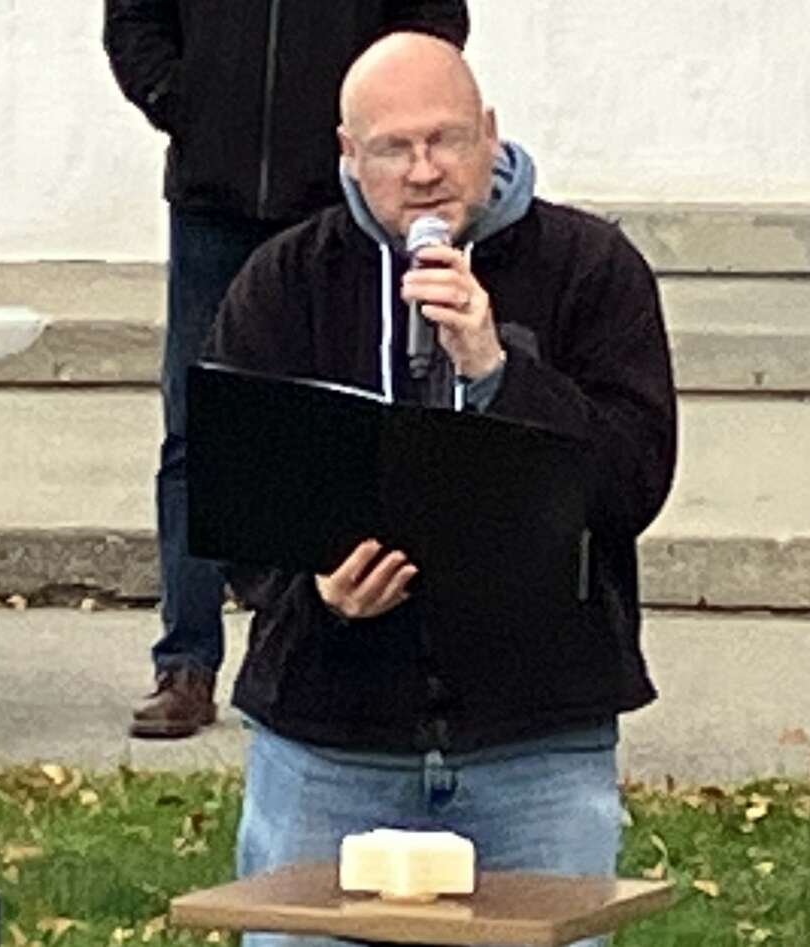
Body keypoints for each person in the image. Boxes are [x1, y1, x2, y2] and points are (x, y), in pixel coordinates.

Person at [206, 32, 677, 947]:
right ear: (348, 154)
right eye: (393, 148)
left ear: (491, 134)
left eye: (447, 140)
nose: (425, 171)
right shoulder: (287, 282)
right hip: (330, 738)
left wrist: (501, 370)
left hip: (533, 737)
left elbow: (635, 479)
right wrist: (311, 588)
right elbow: (225, 487)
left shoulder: (590, 269)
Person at [102, 0, 471, 739]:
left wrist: (365, 122)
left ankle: (327, 640)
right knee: (198, 431)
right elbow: (133, 19)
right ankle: (186, 661)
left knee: (342, 425)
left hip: (333, 199)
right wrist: (190, 105)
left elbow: (434, 22)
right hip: (213, 202)